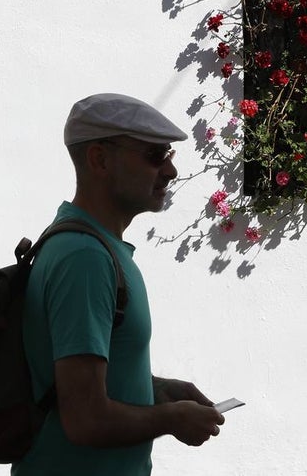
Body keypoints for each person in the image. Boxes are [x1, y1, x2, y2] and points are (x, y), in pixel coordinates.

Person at [14, 93, 224, 475]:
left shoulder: (86, 245)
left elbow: (75, 384)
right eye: (155, 155)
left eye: (170, 157)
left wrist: (155, 390)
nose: (170, 171)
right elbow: (86, 419)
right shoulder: (86, 257)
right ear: (100, 159)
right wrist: (170, 418)